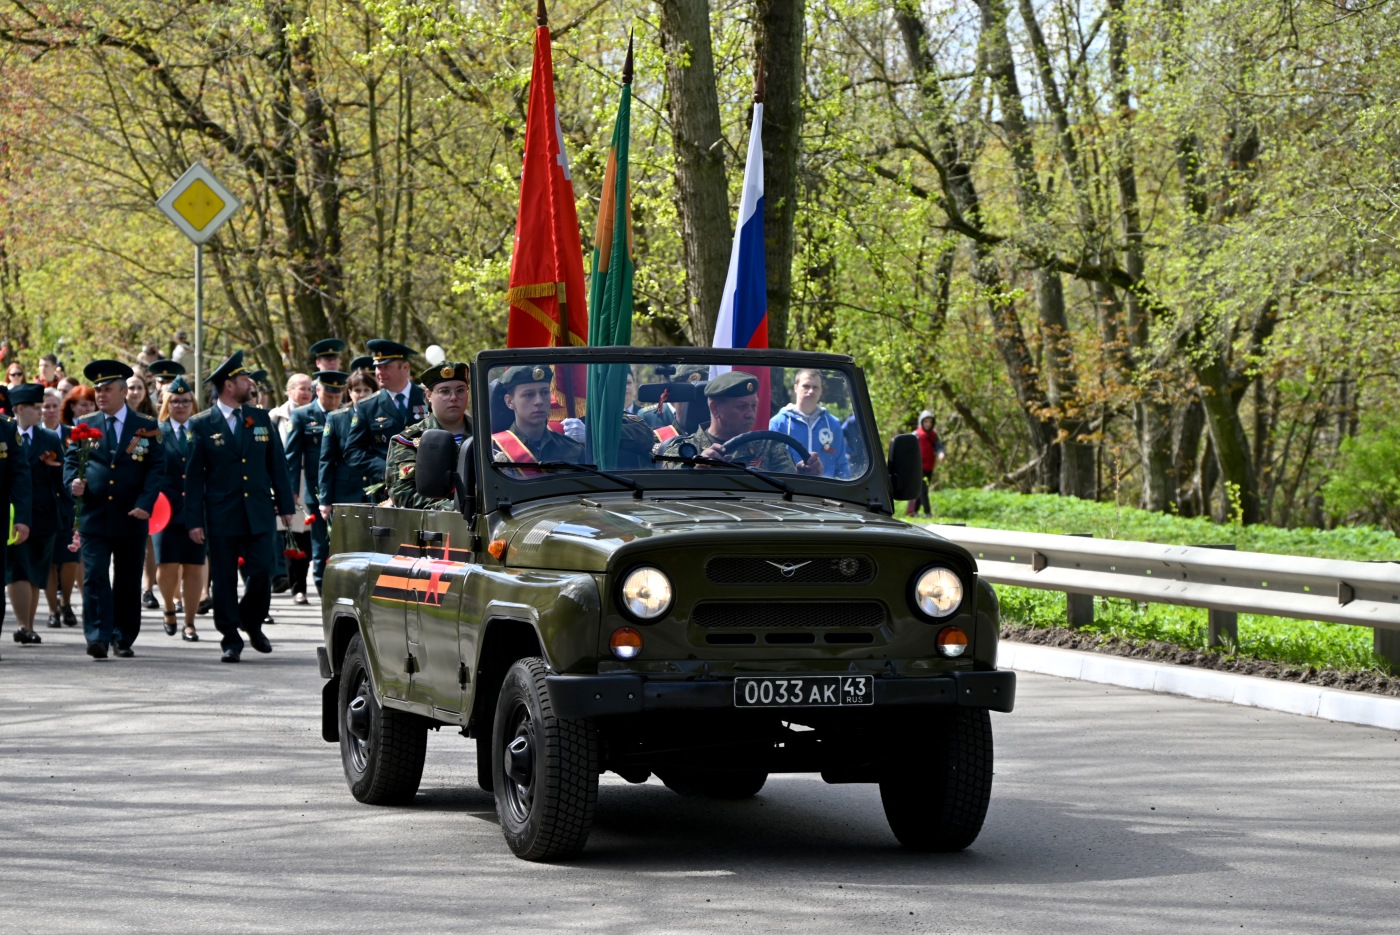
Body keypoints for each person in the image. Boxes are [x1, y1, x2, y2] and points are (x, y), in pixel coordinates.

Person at [183, 351, 295, 663]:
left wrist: (286, 505)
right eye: (244, 379)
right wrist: (194, 520)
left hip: (258, 510)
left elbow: (277, 465)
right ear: (229, 385)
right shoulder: (202, 424)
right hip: (221, 513)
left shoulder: (260, 418)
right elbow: (194, 477)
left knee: (262, 572)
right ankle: (230, 637)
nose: (250, 384)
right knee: (224, 578)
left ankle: (252, 621)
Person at [63, 360, 163, 660]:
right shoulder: (86, 425)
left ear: (123, 392)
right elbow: (71, 461)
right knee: (94, 575)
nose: (101, 395)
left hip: (131, 515)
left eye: (107, 390)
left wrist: (145, 504)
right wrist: (72, 482)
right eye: (98, 390)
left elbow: (157, 468)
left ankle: (123, 636)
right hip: (95, 514)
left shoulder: (146, 425)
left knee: (128, 578)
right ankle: (97, 636)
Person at [659, 371, 824, 476]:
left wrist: (805, 474)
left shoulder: (770, 447)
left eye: (753, 406)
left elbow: (789, 494)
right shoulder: (683, 450)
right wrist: (697, 471)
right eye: (742, 407)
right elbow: (669, 494)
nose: (750, 414)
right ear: (715, 408)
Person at [285, 370, 346, 600]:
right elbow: (292, 457)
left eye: (337, 396)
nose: (333, 401)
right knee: (321, 545)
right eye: (328, 396)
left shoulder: (347, 413)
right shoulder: (302, 415)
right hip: (316, 490)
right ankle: (323, 591)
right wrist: (291, 491)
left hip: (345, 488)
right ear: (317, 390)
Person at [154, 376, 206, 642]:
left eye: (186, 401)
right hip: (165, 510)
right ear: (167, 404)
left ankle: (190, 622)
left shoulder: (203, 431)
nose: (181, 406)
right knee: (167, 565)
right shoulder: (156, 432)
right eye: (175, 401)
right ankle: (169, 608)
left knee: (194, 567)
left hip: (196, 509)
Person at [5, 385, 55, 647]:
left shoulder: (48, 438)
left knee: (35, 571)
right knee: (19, 570)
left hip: (42, 515)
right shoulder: (8, 430)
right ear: (20, 408)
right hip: (15, 515)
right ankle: (24, 625)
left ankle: (29, 624)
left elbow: (61, 476)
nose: (41, 412)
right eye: (36, 408)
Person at [344, 339, 425, 500]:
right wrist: (384, 469)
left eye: (386, 367)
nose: (379, 372)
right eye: (377, 367)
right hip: (386, 492)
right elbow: (353, 451)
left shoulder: (427, 398)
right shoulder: (368, 406)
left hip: (426, 487)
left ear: (405, 367)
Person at [387, 362, 471, 509]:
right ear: (429, 395)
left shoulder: (489, 434)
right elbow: (404, 494)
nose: (454, 397)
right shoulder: (408, 440)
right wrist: (453, 508)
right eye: (444, 391)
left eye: (460, 390)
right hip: (436, 520)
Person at [490, 365, 584, 472]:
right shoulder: (493, 450)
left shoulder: (573, 448)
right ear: (509, 402)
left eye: (544, 392)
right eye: (529, 395)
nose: (539, 401)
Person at [319, 369, 378, 523]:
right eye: (357, 390)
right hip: (347, 492)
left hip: (377, 490)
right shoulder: (337, 418)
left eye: (367, 390)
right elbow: (327, 461)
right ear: (349, 392)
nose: (362, 394)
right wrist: (325, 500)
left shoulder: (382, 415)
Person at [769, 368, 851, 479]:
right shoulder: (778, 423)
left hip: (826, 488)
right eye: (806, 386)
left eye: (815, 387)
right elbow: (771, 463)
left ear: (821, 391)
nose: (811, 391)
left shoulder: (833, 424)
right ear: (796, 388)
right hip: (789, 486)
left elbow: (842, 466)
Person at [908, 410, 943, 518]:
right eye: (926, 421)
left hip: (929, 467)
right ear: (921, 422)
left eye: (930, 422)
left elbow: (938, 446)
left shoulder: (933, 435)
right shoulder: (915, 435)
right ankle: (928, 512)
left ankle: (913, 511)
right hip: (918, 467)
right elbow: (908, 449)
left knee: (921, 489)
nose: (928, 424)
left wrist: (941, 453)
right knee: (923, 490)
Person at [270, 372, 313, 438]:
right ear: (289, 391)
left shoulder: (317, 413)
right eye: (302, 389)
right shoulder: (276, 415)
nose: (306, 393)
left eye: (309, 389)